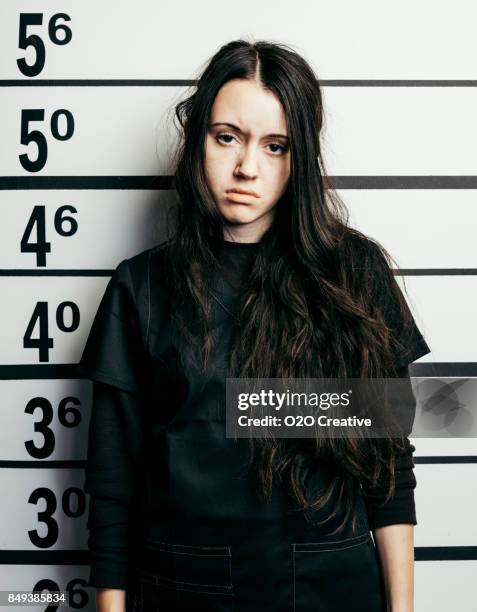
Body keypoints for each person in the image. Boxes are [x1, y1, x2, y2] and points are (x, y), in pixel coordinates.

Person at [78, 39, 431, 612]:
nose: (247, 167)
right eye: (227, 138)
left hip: (333, 589)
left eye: (275, 146)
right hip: (181, 589)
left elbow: (389, 465)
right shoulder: (139, 287)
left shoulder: (357, 274)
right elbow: (113, 486)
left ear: (301, 158)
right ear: (198, 141)